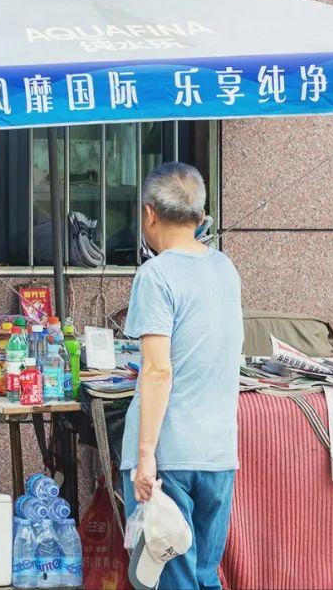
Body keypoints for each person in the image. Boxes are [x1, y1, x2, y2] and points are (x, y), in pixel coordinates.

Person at [121, 161, 243, 590]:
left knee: (166, 579)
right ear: (201, 217)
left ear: (149, 213)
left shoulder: (155, 274)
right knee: (205, 577)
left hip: (169, 457)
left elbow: (157, 370)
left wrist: (146, 456)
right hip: (219, 456)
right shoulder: (225, 269)